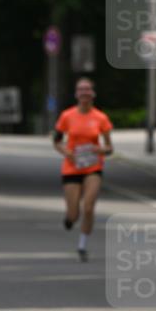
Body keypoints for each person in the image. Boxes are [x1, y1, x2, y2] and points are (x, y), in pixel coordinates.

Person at [53, 77, 113, 262]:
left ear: (93, 93)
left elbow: (110, 147)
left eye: (87, 89)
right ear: (76, 93)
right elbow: (57, 141)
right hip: (72, 167)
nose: (84, 92)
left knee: (88, 207)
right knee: (74, 214)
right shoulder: (67, 116)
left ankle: (82, 245)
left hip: (93, 167)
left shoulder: (101, 118)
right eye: (81, 89)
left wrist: (99, 149)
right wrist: (67, 152)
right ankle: (70, 218)